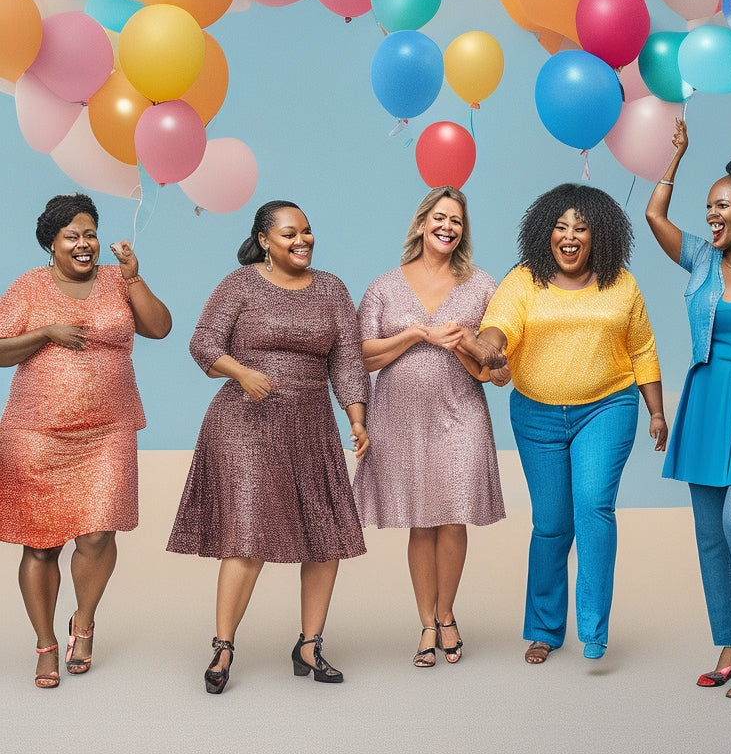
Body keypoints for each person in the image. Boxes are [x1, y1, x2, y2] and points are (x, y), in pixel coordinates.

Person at [167, 200, 369, 693]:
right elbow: (203, 344)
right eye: (289, 234)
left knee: (326, 536)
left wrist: (357, 419)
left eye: (307, 231)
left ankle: (309, 645)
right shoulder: (239, 285)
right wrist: (241, 372)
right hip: (244, 421)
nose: (302, 240)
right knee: (248, 534)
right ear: (264, 241)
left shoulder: (332, 288)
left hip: (311, 422)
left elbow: (346, 357)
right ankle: (223, 646)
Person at [463, 183, 668, 663]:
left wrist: (656, 410)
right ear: (545, 233)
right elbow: (500, 327)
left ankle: (594, 629)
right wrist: (487, 346)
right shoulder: (523, 280)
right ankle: (544, 629)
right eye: (560, 227)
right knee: (552, 525)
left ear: (600, 235)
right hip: (536, 415)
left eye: (581, 227)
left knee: (594, 507)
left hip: (607, 407)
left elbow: (642, 347)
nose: (570, 236)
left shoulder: (621, 283)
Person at [0, 193, 172, 689]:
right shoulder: (29, 288)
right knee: (40, 547)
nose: (84, 244)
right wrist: (46, 333)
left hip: (107, 431)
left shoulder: (118, 281)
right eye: (72, 236)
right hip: (36, 433)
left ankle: (84, 620)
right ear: (51, 243)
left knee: (98, 535)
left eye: (90, 234)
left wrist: (135, 274)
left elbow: (159, 328)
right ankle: (45, 644)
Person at [352, 186, 506, 668]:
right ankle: (425, 624)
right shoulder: (384, 286)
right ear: (422, 223)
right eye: (439, 217)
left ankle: (446, 615)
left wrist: (465, 344)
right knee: (420, 523)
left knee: (453, 516)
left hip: (461, 414)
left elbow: (499, 371)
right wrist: (417, 333)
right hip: (399, 418)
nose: (447, 227)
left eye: (456, 221)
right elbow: (358, 355)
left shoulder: (482, 285)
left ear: (463, 231)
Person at [646, 119, 731, 699]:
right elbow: (653, 218)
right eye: (708, 207)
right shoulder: (701, 259)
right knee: (710, 532)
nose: (711, 215)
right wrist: (675, 159)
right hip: (706, 398)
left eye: (722, 206)